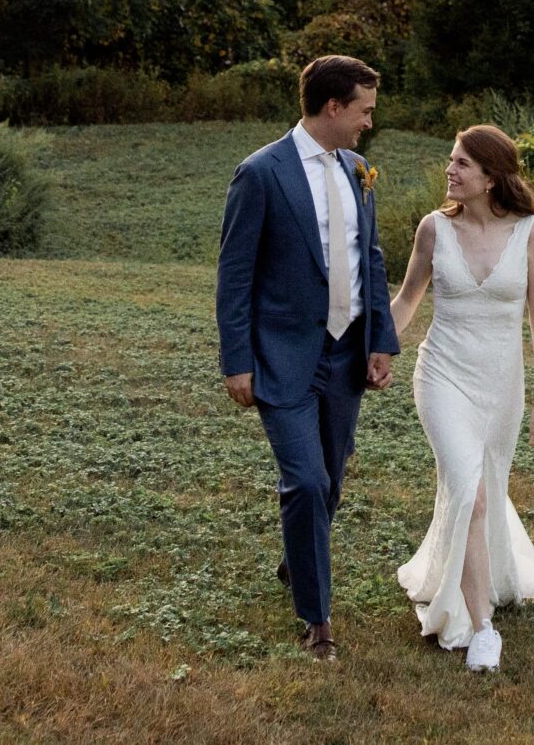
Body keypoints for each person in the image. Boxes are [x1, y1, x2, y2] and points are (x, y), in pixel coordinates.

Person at [216, 55, 401, 663]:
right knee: (306, 480)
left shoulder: (359, 169)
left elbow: (368, 257)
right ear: (333, 107)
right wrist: (236, 361)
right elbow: (234, 276)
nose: (369, 124)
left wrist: (380, 340)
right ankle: (317, 621)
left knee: (333, 476)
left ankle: (300, 554)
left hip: (347, 354)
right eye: (365, 111)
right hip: (281, 357)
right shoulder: (261, 174)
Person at [389, 123, 534, 672]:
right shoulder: (433, 229)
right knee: (470, 490)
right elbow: (408, 300)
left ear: (490, 177)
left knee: (484, 489)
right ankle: (480, 628)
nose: (450, 170)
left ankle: (467, 572)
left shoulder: (531, 233)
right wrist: (373, 347)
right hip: (442, 377)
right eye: (451, 159)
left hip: (501, 386)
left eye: (462, 163)